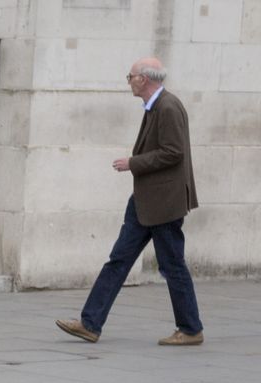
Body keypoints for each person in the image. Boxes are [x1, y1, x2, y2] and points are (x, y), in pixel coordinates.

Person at [57, 57, 202, 347]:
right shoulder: (156, 106)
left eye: (131, 76)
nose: (129, 80)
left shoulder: (168, 107)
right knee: (119, 260)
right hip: (146, 201)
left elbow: (174, 153)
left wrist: (132, 163)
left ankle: (190, 329)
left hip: (163, 203)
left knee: (172, 266)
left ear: (144, 80)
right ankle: (90, 323)